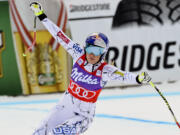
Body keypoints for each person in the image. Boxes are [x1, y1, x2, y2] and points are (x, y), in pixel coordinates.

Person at [30, 2, 151, 135]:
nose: (92, 54)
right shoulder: (78, 53)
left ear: (103, 53)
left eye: (98, 51)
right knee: (39, 132)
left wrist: (139, 78)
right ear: (85, 48)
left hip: (83, 116)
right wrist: (42, 16)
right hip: (64, 107)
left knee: (58, 133)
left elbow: (124, 76)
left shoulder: (105, 70)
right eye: (90, 49)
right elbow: (60, 36)